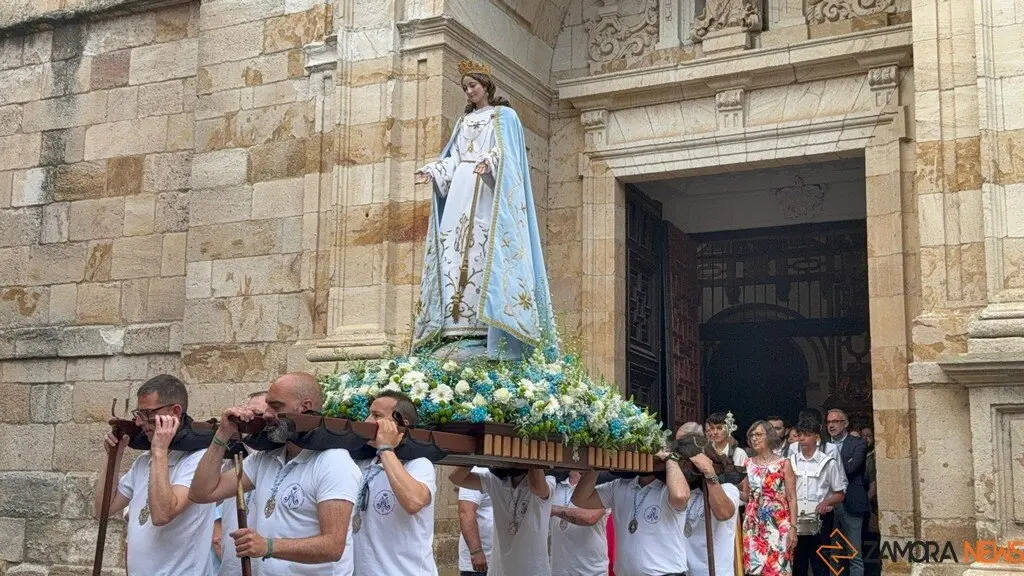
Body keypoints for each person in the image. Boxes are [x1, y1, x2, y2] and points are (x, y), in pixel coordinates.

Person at [413, 59, 558, 359]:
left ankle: (486, 323)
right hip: (460, 194)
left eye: (473, 86)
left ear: (486, 86)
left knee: (483, 248)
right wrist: (434, 170)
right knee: (454, 249)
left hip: (487, 192)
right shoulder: (463, 123)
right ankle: (455, 324)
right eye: (465, 88)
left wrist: (491, 162)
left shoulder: (503, 117)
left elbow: (509, 156)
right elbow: (454, 158)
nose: (469, 92)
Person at [189, 373, 361, 576]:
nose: (268, 414)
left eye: (276, 407)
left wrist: (268, 546)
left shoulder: (333, 461)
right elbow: (201, 493)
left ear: (304, 407)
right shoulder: (266, 458)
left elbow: (332, 546)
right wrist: (223, 434)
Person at [93, 374, 216, 576]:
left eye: (147, 414)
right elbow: (102, 511)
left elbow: (162, 514)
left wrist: (159, 451)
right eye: (138, 414)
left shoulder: (199, 460)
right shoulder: (144, 461)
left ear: (175, 412)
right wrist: (113, 457)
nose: (140, 423)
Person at [353, 391, 438, 575]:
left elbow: (414, 501)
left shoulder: (419, 464)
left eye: (376, 416)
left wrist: (386, 448)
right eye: (369, 414)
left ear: (401, 425)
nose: (367, 421)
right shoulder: (362, 464)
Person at [572, 451, 691, 576]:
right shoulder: (619, 485)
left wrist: (670, 459)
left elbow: (680, 496)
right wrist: (595, 466)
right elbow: (580, 500)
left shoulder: (669, 488)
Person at [449, 466, 555, 576]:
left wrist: (534, 452)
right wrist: (475, 456)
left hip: (533, 571)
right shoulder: (494, 481)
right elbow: (456, 479)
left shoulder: (549, 481)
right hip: (498, 571)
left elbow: (537, 488)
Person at [219, 391, 268, 576]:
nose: (246, 418)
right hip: (230, 568)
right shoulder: (233, 459)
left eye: (255, 414)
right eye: (246, 412)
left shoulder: (266, 460)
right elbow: (203, 491)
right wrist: (224, 433)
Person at [790, 415, 846, 576]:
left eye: (806, 435)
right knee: (797, 563)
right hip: (796, 517)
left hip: (820, 518)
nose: (801, 439)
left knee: (820, 563)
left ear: (816, 437)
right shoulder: (791, 461)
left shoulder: (829, 462)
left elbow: (840, 493)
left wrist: (826, 502)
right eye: (800, 435)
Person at [742, 421, 796, 576]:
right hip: (753, 524)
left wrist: (793, 528)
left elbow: (792, 498)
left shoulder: (783, 463)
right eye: (751, 435)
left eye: (758, 434)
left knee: (778, 569)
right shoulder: (748, 463)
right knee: (754, 570)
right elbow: (746, 495)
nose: (754, 439)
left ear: (770, 436)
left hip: (778, 523)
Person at [682, 450, 742, 576]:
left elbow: (724, 513)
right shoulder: (686, 492)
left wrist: (709, 473)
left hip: (716, 571)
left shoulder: (728, 489)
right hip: (685, 570)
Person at [825, 409, 869, 576]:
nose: (831, 425)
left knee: (854, 552)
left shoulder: (858, 443)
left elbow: (852, 467)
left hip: (851, 502)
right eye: (829, 422)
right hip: (829, 504)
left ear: (846, 423)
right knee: (831, 552)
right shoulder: (822, 444)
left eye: (836, 421)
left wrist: (830, 463)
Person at [549, 470, 609, 576]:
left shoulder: (602, 486)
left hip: (592, 571)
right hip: (559, 571)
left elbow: (590, 517)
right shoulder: (555, 485)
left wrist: (554, 510)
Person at [457, 467, 493, 576]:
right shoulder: (479, 471)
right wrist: (476, 552)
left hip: (500, 561)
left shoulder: (506, 472)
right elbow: (466, 512)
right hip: (480, 565)